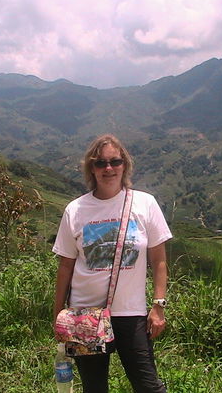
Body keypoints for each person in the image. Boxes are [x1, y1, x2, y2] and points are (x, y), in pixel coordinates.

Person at [53, 134, 172, 393]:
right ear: (91, 168)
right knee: (94, 388)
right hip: (85, 315)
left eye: (115, 161)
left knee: (148, 386)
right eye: (100, 163)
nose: (108, 168)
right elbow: (65, 266)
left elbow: (159, 259)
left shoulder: (145, 204)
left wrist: (159, 306)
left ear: (124, 165)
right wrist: (58, 314)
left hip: (131, 313)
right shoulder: (75, 210)